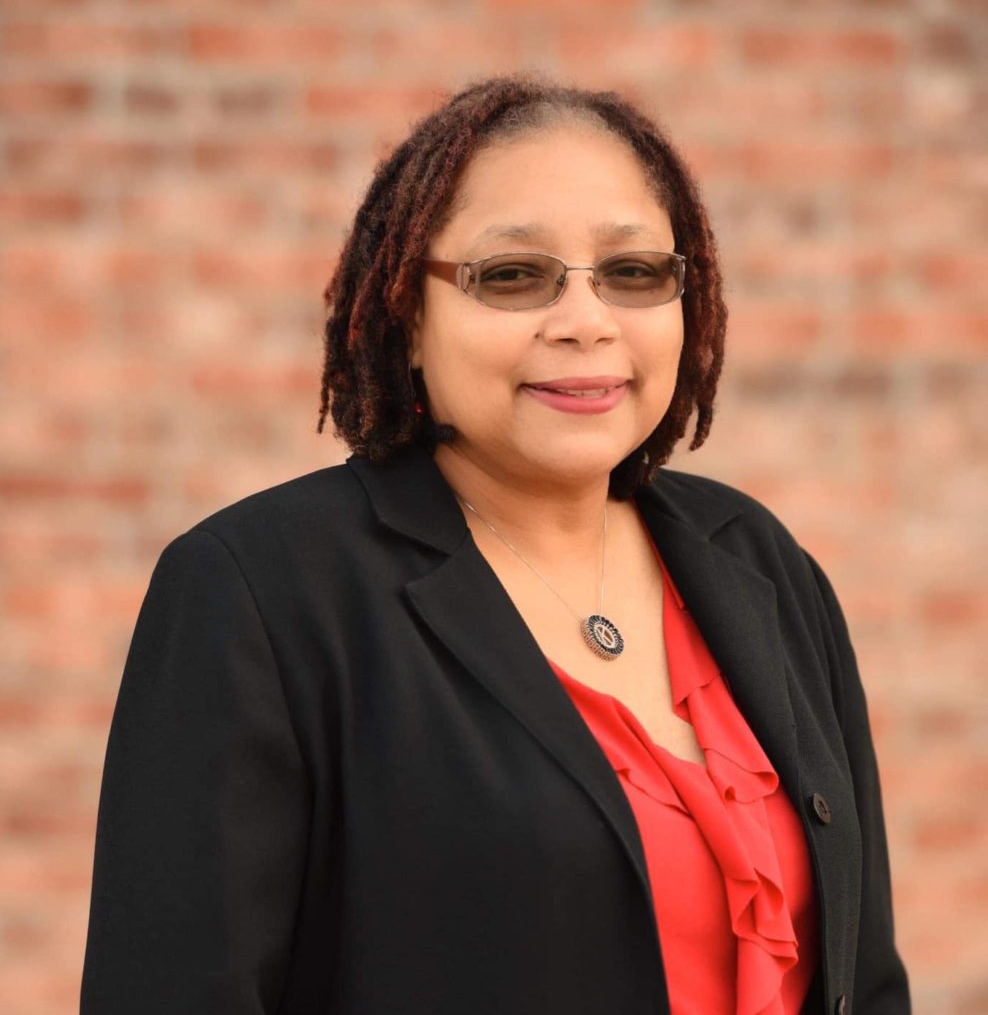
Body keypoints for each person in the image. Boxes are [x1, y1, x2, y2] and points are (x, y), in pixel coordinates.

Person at [80, 75, 910, 1014]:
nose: (587, 322)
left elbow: (867, 979)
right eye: (513, 275)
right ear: (408, 318)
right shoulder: (260, 594)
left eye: (633, 272)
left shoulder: (758, 561)